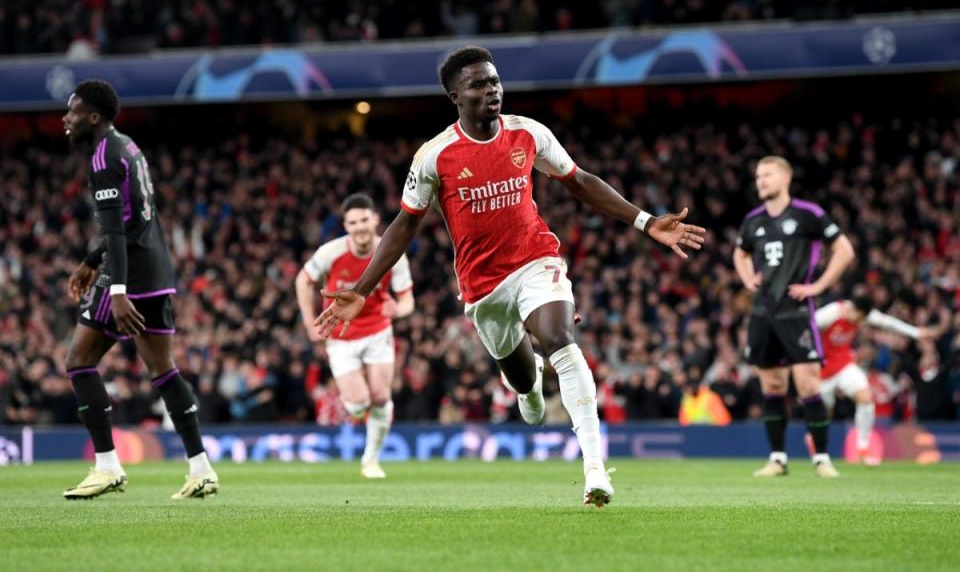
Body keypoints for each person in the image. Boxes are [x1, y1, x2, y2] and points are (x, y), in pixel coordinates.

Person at [314, 45, 705, 506]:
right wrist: (362, 288)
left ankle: (595, 468)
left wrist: (644, 221)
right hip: (482, 289)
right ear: (456, 97)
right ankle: (530, 387)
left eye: (495, 81)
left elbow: (578, 180)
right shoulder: (434, 156)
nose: (491, 90)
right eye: (478, 84)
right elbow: (404, 223)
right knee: (522, 380)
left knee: (560, 337)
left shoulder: (528, 133)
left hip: (536, 260)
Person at [61, 79, 218, 499]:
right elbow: (133, 219)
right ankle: (200, 467)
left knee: (78, 360)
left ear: (93, 117)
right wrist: (91, 261)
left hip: (129, 274)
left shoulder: (102, 158)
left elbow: (114, 230)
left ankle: (107, 465)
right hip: (155, 268)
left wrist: (116, 288)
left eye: (72, 112)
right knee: (163, 370)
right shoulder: (126, 146)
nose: (66, 119)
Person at [733, 156, 855, 478]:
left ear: (785, 178)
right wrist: (747, 278)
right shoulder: (753, 221)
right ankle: (777, 458)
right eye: (758, 176)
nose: (761, 181)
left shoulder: (808, 214)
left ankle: (822, 459)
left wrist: (818, 285)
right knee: (772, 386)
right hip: (762, 312)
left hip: (796, 312)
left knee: (807, 385)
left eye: (767, 175)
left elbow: (844, 249)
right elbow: (740, 252)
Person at [295, 193, 414, 478]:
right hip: (341, 338)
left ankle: (370, 461)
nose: (359, 227)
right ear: (346, 226)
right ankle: (358, 409)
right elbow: (303, 279)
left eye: (364, 220)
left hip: (377, 331)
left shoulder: (392, 252)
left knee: (381, 397)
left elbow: (408, 301)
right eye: (353, 222)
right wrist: (308, 321)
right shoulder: (330, 253)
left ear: (375, 220)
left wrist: (397, 309)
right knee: (360, 403)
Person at [814, 295, 941, 465]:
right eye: (859, 318)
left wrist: (916, 332)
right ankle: (815, 442)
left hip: (844, 364)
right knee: (825, 413)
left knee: (865, 399)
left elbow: (888, 323)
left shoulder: (864, 313)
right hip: (821, 369)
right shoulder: (829, 314)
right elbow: (804, 328)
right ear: (853, 309)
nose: (859, 322)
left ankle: (863, 448)